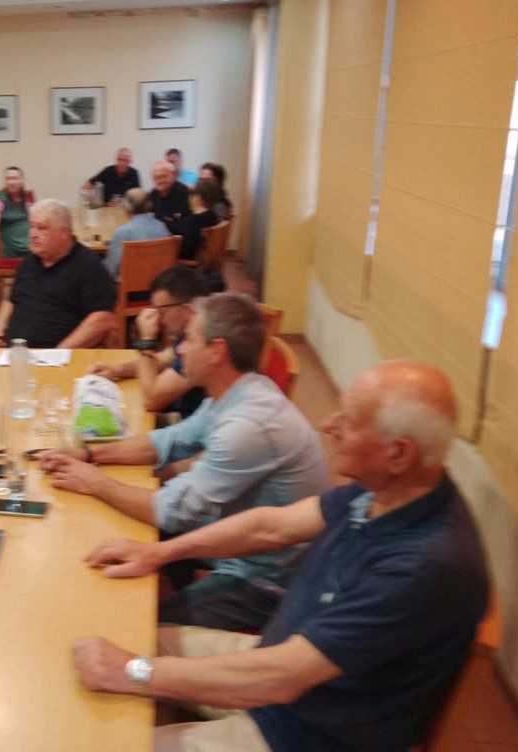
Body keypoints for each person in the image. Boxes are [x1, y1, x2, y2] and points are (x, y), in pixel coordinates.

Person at [71, 361, 490, 752]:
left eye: (347, 421)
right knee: (133, 634)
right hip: (276, 662)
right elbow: (271, 526)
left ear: (398, 453)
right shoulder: (385, 490)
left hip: (303, 730)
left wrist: (132, 672)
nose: (328, 425)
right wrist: (158, 551)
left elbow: (282, 677)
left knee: (107, 741)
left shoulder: (423, 566)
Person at [42, 293, 330, 630]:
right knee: (119, 535)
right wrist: (90, 455)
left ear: (216, 351)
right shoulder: (236, 392)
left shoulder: (248, 426)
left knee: (132, 628)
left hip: (265, 582)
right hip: (235, 541)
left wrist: (94, 482)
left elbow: (170, 511)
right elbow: (168, 441)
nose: (179, 350)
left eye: (189, 339)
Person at [0, 199, 116, 348]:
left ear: (64, 233)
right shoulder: (29, 262)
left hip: (61, 356)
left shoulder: (88, 265)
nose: (33, 234)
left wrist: (59, 352)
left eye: (41, 228)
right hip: (17, 353)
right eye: (32, 226)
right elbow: (12, 299)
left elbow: (102, 319)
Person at [89, 264, 208, 417]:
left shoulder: (202, 345)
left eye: (161, 310)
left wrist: (146, 340)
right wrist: (115, 370)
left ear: (186, 310)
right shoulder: (189, 332)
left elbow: (152, 400)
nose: (158, 318)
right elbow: (160, 361)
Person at [103, 188, 171, 278]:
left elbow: (111, 270)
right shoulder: (162, 227)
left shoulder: (122, 233)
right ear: (149, 205)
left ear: (126, 207)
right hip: (159, 282)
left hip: (129, 284)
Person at [0, 165, 33, 260]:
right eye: (8, 179)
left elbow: (33, 220)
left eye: (14, 178)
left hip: (30, 248)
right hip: (11, 251)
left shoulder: (27, 197)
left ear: (21, 180)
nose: (11, 182)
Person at [176, 178, 225, 261]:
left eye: (192, 194)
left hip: (187, 265)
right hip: (205, 262)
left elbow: (186, 254)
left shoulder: (192, 221)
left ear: (198, 197)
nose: (189, 198)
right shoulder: (213, 216)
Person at [150, 160, 192, 234]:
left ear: (173, 176)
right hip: (160, 236)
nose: (159, 181)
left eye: (163, 176)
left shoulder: (183, 192)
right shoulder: (153, 194)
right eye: (156, 178)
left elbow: (185, 225)